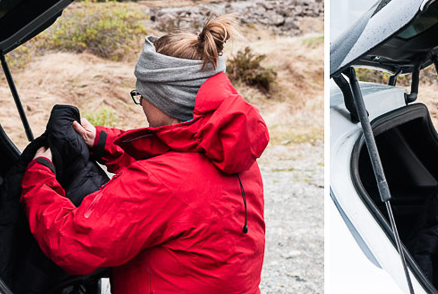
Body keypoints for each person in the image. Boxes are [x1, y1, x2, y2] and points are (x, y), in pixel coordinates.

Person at [20, 15, 269, 294]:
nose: (141, 103)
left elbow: (73, 245)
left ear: (165, 99)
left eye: (141, 94)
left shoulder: (157, 182)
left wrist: (39, 178)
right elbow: (182, 173)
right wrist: (104, 141)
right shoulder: (232, 150)